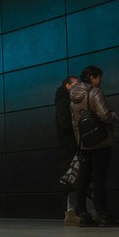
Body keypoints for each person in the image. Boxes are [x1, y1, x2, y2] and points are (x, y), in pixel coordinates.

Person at [71, 65, 119, 227]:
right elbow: (104, 115)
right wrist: (114, 116)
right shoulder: (95, 92)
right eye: (99, 77)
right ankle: (103, 216)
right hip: (100, 141)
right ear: (92, 77)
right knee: (99, 179)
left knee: (83, 178)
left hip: (84, 143)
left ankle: (84, 216)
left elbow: (75, 124)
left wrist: (81, 141)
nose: (100, 81)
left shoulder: (74, 97)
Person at [54, 75, 81, 225]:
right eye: (76, 85)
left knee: (76, 178)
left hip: (71, 145)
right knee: (73, 178)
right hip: (69, 146)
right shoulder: (63, 102)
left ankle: (75, 212)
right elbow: (65, 123)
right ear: (68, 86)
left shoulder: (65, 100)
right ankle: (71, 213)